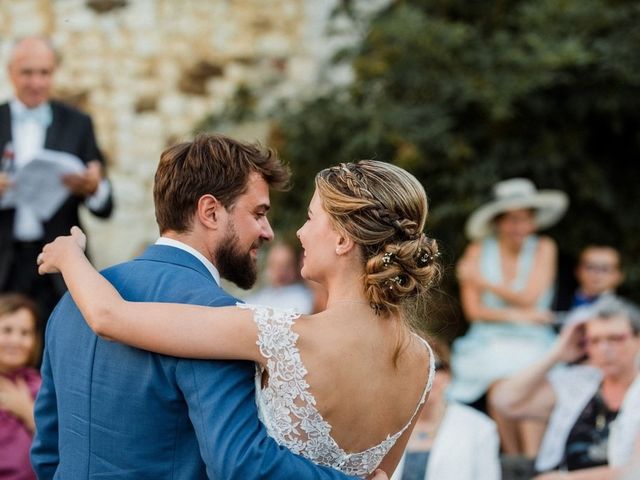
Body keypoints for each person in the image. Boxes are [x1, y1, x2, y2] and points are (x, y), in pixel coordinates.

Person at [36, 157, 441, 477]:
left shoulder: (274, 333)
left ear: (341, 239)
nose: (297, 232)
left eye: (310, 217)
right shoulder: (422, 362)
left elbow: (109, 316)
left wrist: (71, 257)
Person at [448, 177, 568, 456]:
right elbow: (475, 312)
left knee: (527, 389)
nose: (519, 227)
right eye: (512, 219)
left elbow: (531, 295)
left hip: (534, 340)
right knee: (499, 391)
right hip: (489, 340)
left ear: (534, 221)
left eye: (525, 219)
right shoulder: (477, 250)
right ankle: (516, 461)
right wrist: (523, 316)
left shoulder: (544, 247)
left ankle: (531, 460)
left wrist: (482, 281)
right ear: (499, 222)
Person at [0, 36, 113, 324]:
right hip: (5, 263)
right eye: (27, 72)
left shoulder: (78, 123)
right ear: (10, 71)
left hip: (61, 267)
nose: (36, 82)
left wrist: (93, 188)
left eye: (44, 73)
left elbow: (105, 206)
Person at [489, 295, 640, 479]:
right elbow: (504, 402)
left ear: (637, 338)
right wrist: (557, 353)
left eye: (615, 339)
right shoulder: (578, 383)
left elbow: (635, 471)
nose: (604, 349)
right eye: (594, 341)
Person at [391, 339, 501, 480]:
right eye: (415, 368)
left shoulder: (480, 427)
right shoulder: (387, 425)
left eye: (434, 367)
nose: (427, 376)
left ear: (448, 375)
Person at [0, 293, 41, 480]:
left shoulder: (39, 386)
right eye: (7, 330)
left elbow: (58, 440)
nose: (16, 341)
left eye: (25, 333)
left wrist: (27, 412)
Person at [244, 241, 314, 313]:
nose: (280, 270)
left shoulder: (302, 297)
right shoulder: (261, 294)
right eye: (274, 265)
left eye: (285, 265)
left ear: (293, 268)